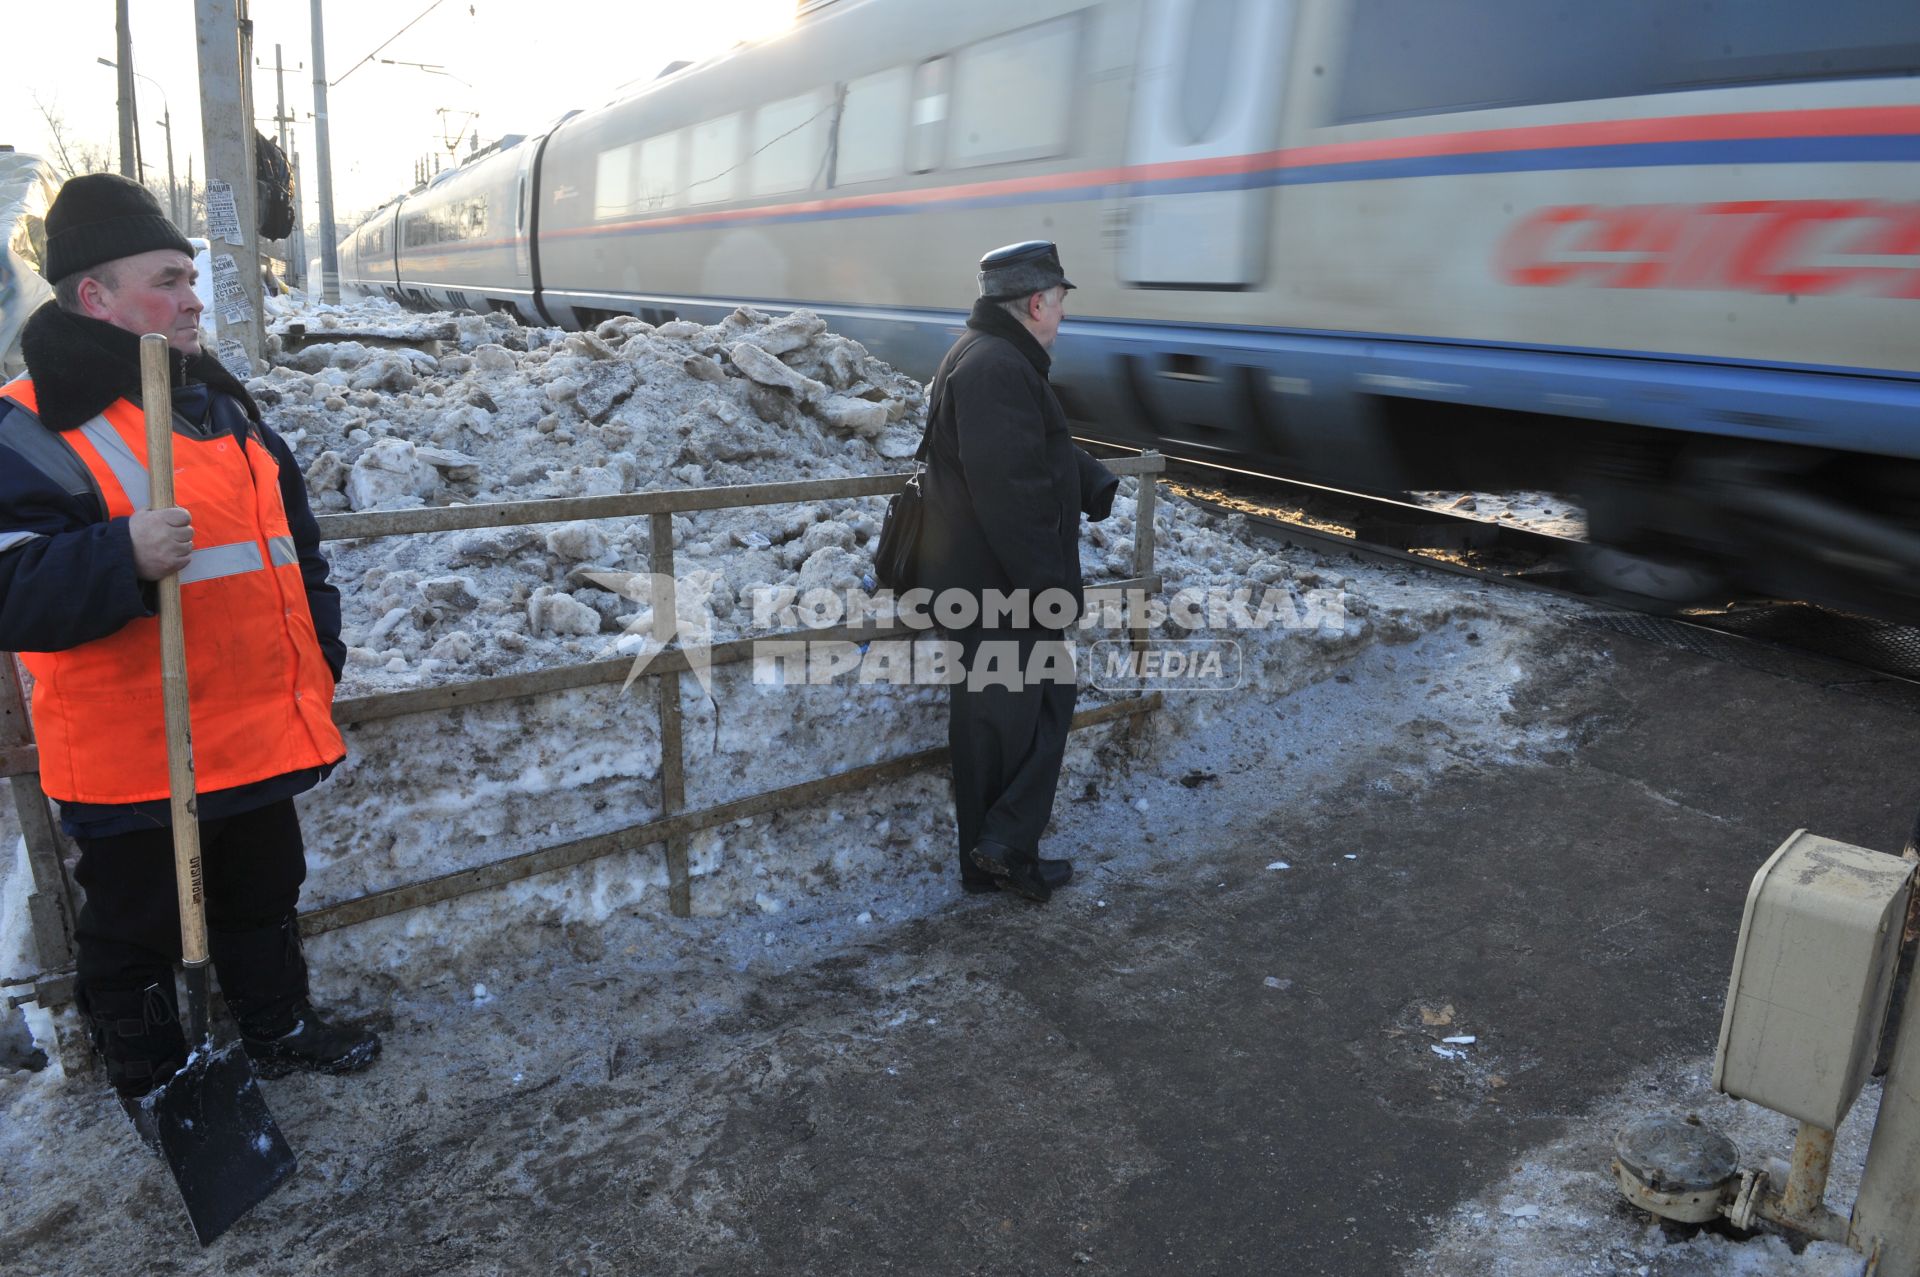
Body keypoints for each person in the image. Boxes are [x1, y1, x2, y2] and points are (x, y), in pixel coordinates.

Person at [0, 174, 378, 1122]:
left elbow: (295, 548)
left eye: (189, 278)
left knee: (261, 889)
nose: (192, 296)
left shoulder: (220, 404)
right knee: (136, 930)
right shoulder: (30, 423)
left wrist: (318, 649)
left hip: (253, 727)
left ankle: (277, 1028)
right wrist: (117, 554)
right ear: (97, 296)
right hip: (137, 753)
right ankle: (166, 1090)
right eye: (167, 279)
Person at [916, 241, 1118, 903]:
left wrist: (1090, 480)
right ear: (1037, 303)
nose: (1061, 318)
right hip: (1001, 588)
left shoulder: (989, 357)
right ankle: (1002, 845)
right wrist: (1049, 589)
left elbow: (1029, 446)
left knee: (996, 726)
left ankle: (995, 854)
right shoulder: (998, 367)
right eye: (1059, 304)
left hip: (984, 583)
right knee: (1025, 715)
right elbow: (1008, 490)